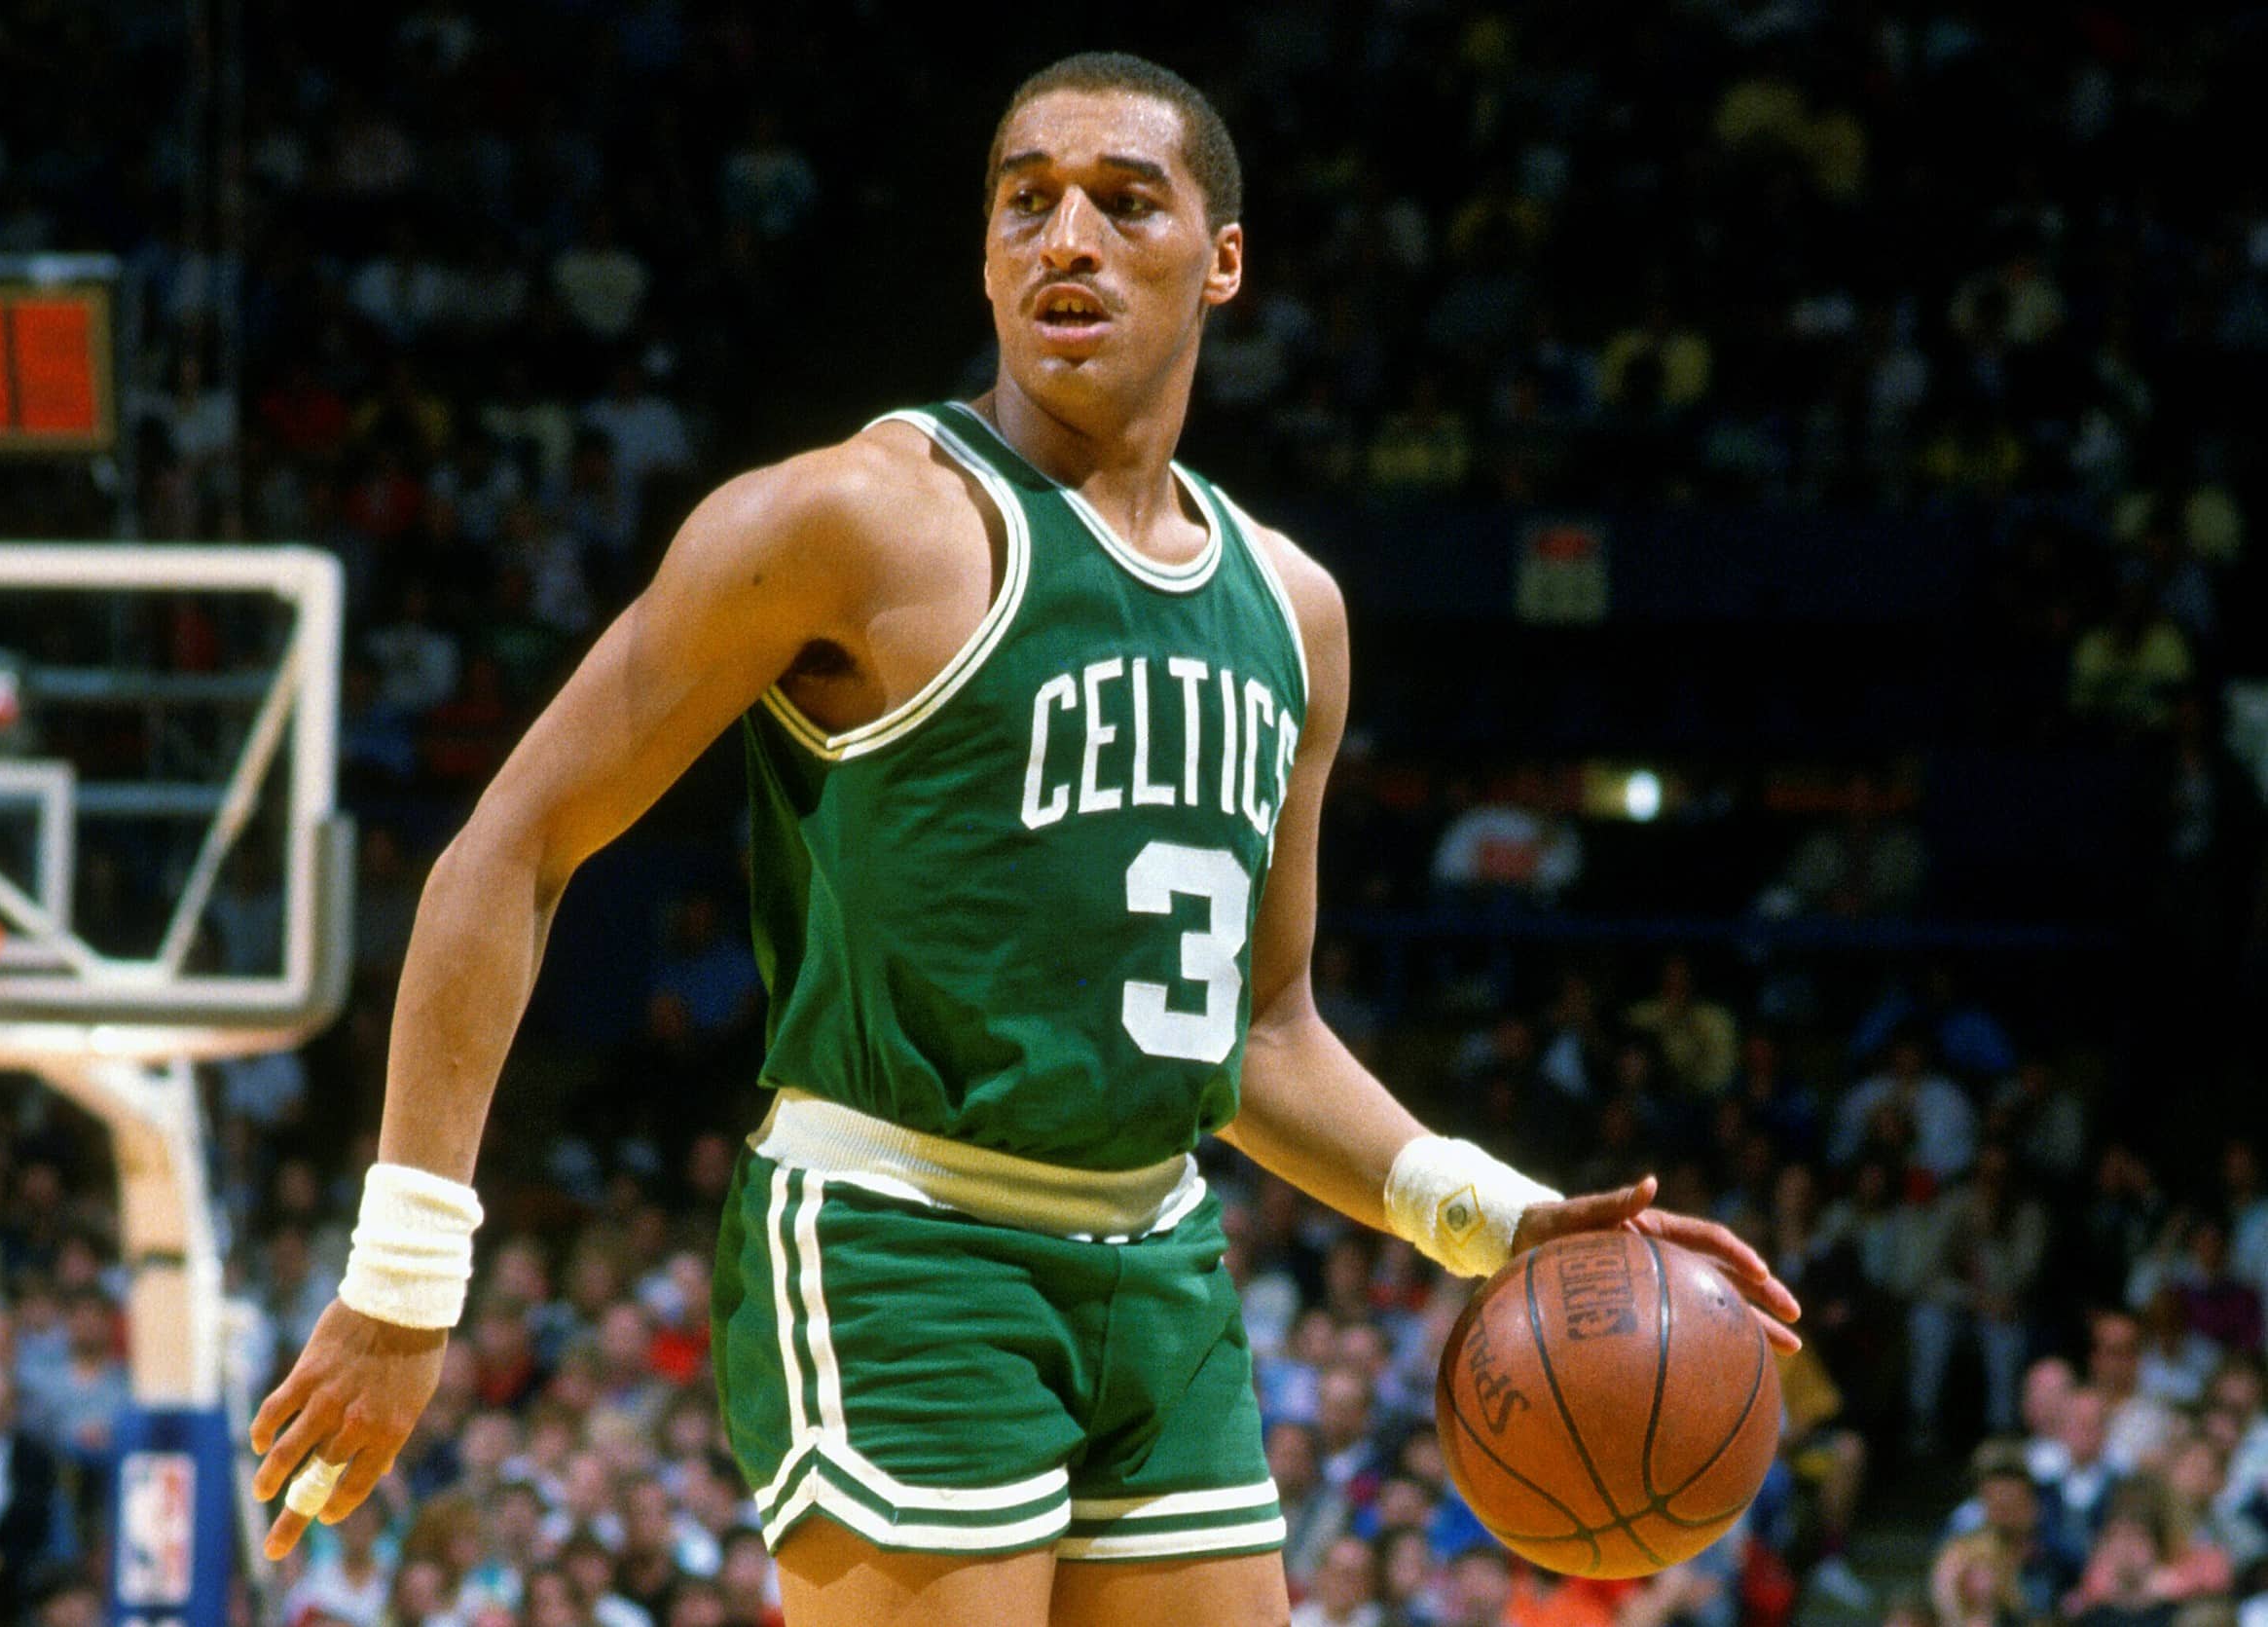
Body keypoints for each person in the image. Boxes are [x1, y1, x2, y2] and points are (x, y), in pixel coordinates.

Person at [248, 53, 1798, 1627]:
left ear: (1223, 260)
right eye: (1024, 202)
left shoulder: (1293, 611)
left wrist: (1486, 1209)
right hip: (902, 1241)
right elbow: (506, 851)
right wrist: (403, 1279)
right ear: (984, 252)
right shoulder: (849, 522)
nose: (1067, 237)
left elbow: (1254, 1032)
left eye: (1126, 203)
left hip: (1160, 1260)